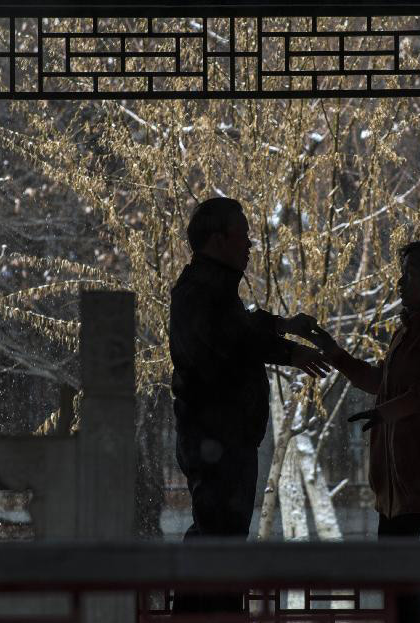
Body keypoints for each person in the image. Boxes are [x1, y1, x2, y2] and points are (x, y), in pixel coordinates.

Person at [307, 238, 420, 623]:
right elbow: (384, 382)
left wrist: (389, 411)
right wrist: (337, 356)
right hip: (406, 479)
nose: (399, 283)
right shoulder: (411, 331)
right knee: (403, 574)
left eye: (409, 276)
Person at [169, 197, 330, 616]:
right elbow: (232, 339)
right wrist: (289, 351)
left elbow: (241, 325)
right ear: (218, 239)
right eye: (243, 235)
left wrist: (280, 326)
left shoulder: (209, 286)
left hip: (220, 439)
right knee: (220, 541)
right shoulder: (202, 291)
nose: (250, 245)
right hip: (216, 439)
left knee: (215, 537)